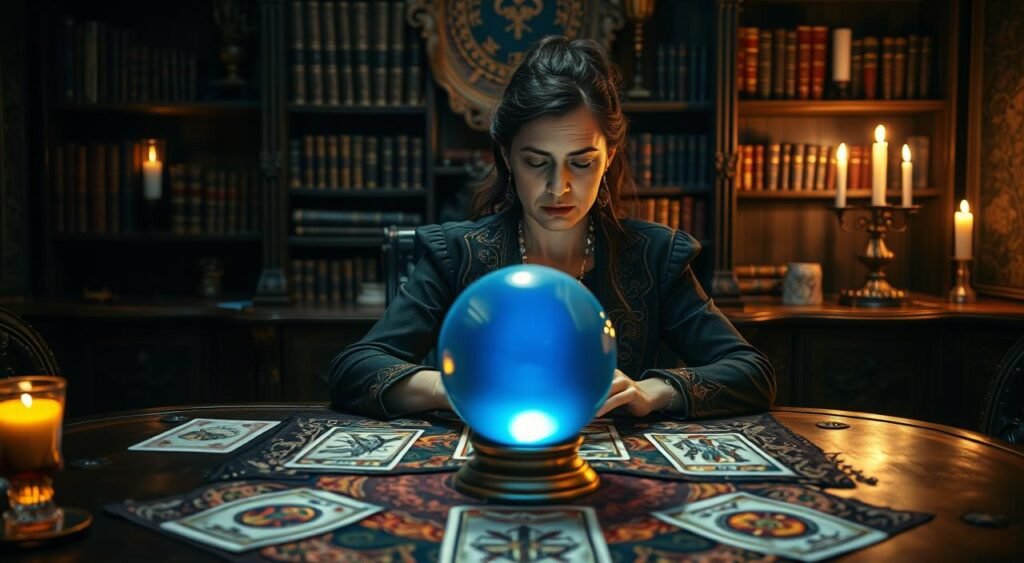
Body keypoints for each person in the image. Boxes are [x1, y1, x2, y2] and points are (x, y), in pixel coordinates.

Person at [329, 36, 775, 420]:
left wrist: (652, 392)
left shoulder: (655, 257)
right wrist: (456, 386)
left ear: (610, 157)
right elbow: (354, 370)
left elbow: (750, 372)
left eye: (581, 163)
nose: (558, 186)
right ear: (506, 156)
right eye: (536, 162)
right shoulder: (456, 253)